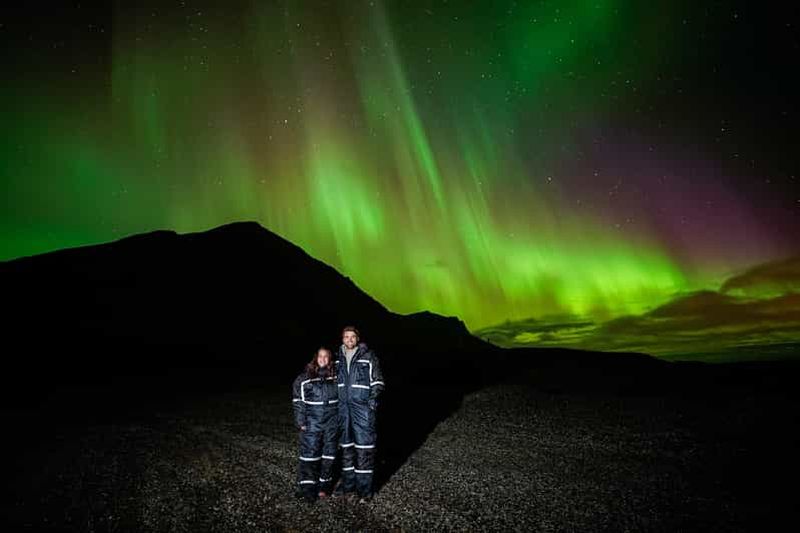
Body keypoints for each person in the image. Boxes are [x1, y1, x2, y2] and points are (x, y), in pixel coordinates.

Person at [333, 326, 384, 502]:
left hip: (362, 409)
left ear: (357, 339)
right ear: (342, 339)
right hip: (343, 409)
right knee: (346, 449)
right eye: (346, 337)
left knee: (364, 449)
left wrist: (372, 402)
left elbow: (378, 382)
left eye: (352, 337)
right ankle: (348, 487)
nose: (349, 339)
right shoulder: (337, 359)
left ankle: (364, 492)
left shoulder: (368, 356)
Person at [292, 347, 339, 501]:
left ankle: (323, 487)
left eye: (326, 356)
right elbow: (298, 401)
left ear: (330, 359)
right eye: (320, 356)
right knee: (310, 455)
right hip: (312, 422)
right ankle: (307, 488)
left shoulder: (336, 377)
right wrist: (301, 421)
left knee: (329, 455)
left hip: (332, 422)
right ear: (315, 358)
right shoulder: (305, 378)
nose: (323, 359)